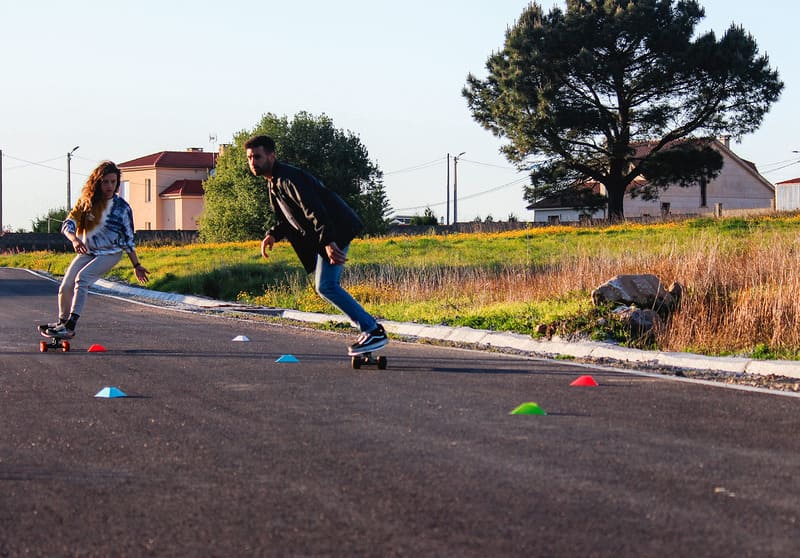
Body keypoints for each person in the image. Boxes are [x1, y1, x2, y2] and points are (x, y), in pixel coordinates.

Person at [244, 135, 388, 355]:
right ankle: (369, 328)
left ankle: (371, 329)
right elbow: (289, 217)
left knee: (327, 286)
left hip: (334, 230)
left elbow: (313, 209)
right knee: (326, 286)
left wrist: (329, 241)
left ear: (272, 156)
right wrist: (273, 234)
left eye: (258, 157)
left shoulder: (288, 179)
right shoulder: (274, 183)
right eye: (250, 158)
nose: (253, 162)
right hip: (328, 233)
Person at [42, 160, 149, 338]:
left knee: (82, 279)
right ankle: (62, 322)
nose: (109, 186)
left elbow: (128, 239)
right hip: (88, 251)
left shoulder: (122, 208)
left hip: (111, 253)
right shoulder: (86, 203)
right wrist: (74, 239)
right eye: (105, 182)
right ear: (97, 182)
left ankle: (71, 325)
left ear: (117, 183)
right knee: (65, 285)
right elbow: (67, 224)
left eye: (113, 182)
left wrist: (136, 265)